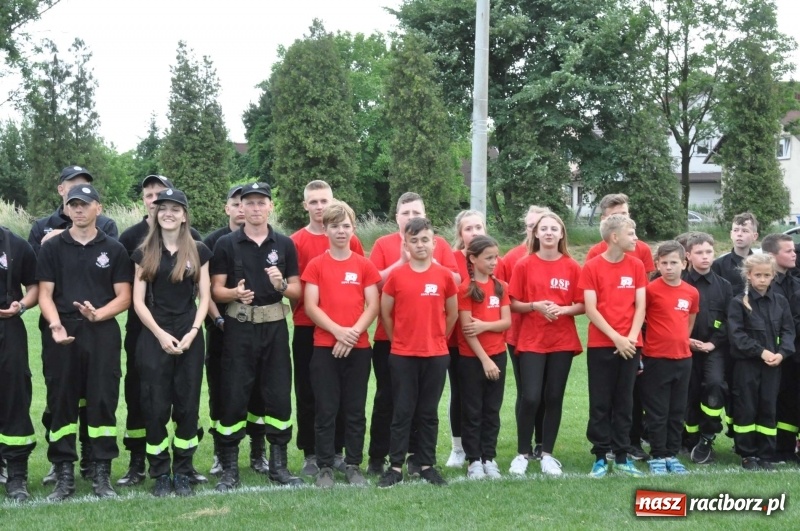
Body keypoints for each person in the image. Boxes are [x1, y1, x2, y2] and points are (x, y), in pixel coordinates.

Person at [36, 184, 132, 500]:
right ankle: (64, 476)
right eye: (73, 204)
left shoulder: (114, 249)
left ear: (98, 209)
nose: (79, 210)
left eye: (85, 204)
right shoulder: (51, 247)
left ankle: (101, 475)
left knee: (102, 401)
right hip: (62, 335)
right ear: (66, 209)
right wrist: (55, 325)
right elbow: (45, 295)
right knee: (61, 401)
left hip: (101, 333)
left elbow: (125, 296)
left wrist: (99, 314)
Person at [210, 182, 303, 490]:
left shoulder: (285, 244)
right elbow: (215, 290)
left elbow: (296, 291)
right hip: (239, 329)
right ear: (241, 207)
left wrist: (279, 285)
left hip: (274, 328)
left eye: (260, 202)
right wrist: (233, 292)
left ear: (270, 206)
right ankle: (229, 469)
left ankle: (278, 466)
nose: (254, 208)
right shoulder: (226, 243)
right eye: (248, 203)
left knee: (277, 394)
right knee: (234, 394)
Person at [116, 175, 205, 488]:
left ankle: (182, 471)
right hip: (153, 336)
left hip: (189, 333)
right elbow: (138, 302)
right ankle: (159, 474)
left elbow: (205, 298)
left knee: (187, 404)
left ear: (184, 214)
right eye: (162, 207)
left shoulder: (198, 250)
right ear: (154, 213)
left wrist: (194, 332)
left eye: (175, 208)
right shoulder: (143, 252)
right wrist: (160, 335)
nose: (168, 212)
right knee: (154, 405)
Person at [366, 193, 459, 476]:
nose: (410, 217)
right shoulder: (383, 244)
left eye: (415, 211)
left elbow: (453, 281)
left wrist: (426, 261)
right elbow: (375, 281)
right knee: (388, 400)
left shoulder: (438, 245)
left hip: (430, 343)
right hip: (391, 341)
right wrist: (402, 262)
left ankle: (419, 459)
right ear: (397, 218)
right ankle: (378, 457)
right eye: (405, 213)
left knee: (424, 406)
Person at [302, 201, 380, 488]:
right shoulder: (316, 265)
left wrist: (353, 333)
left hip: (358, 349)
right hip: (325, 347)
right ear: (326, 229)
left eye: (346, 225)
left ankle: (353, 464)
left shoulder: (364, 264)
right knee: (326, 408)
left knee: (355, 409)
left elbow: (373, 305)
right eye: (335, 226)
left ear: (353, 228)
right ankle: (324, 466)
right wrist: (337, 332)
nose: (341, 231)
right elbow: (311, 306)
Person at [290, 180, 365, 477]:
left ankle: (337, 451)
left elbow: (361, 283)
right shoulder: (296, 241)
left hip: (346, 331)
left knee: (344, 396)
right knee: (310, 392)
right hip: (308, 327)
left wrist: (348, 330)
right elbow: (297, 287)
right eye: (314, 202)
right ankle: (311, 452)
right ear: (305, 205)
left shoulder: (351, 238)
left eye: (324, 201)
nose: (320, 207)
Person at [508, 212, 584, 476]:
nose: (550, 232)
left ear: (562, 234)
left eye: (555, 228)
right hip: (531, 339)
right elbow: (512, 303)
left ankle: (548, 455)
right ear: (536, 234)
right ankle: (522, 453)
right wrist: (536, 306)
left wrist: (563, 310)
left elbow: (582, 304)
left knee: (554, 396)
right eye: (544, 228)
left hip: (561, 340)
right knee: (530, 397)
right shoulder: (524, 265)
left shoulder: (572, 266)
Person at [205, 185, 272, 477]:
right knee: (223, 392)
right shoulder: (214, 242)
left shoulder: (268, 240)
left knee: (258, 390)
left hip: (256, 330)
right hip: (221, 329)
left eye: (246, 204)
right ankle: (222, 453)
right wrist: (219, 320)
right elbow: (205, 291)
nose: (242, 209)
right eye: (236, 204)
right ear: (229, 208)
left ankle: (259, 451)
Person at [585, 193, 653, 462]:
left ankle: (623, 453)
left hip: (630, 344)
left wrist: (631, 339)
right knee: (600, 401)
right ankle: (601, 453)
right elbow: (591, 309)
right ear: (614, 236)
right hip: (602, 344)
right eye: (631, 232)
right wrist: (616, 338)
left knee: (626, 402)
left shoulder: (636, 264)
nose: (636, 237)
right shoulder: (591, 265)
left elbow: (641, 306)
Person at [728, 254, 795, 470]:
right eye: (758, 275)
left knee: (768, 407)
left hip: (773, 365)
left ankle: (766, 454)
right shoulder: (739, 303)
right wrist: (761, 352)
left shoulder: (780, 302)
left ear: (773, 276)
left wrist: (782, 353)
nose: (763, 279)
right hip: (747, 366)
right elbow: (737, 336)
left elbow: (788, 331)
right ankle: (747, 454)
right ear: (749, 276)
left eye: (767, 275)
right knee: (747, 407)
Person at [497, 205, 550, 462]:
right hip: (519, 334)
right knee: (528, 393)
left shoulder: (554, 256)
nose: (533, 230)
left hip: (550, 336)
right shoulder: (512, 257)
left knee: (547, 392)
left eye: (537, 225)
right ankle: (524, 445)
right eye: (529, 225)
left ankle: (543, 442)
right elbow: (502, 296)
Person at [641, 241, 699, 475]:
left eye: (674, 262)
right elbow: (640, 319)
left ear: (684, 263)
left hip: (683, 360)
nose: (669, 267)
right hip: (656, 359)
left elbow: (689, 322)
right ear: (657, 264)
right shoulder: (650, 290)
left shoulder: (691, 292)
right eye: (663, 263)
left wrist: (680, 343)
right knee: (658, 411)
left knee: (677, 411)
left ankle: (671, 454)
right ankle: (657, 454)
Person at [457, 235, 510, 479]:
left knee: (492, 410)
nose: (494, 262)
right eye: (488, 258)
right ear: (473, 258)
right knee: (472, 410)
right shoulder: (466, 290)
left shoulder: (500, 287)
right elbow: (468, 331)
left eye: (495, 257)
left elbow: (506, 322)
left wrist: (485, 326)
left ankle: (489, 458)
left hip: (498, 355)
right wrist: (485, 360)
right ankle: (474, 460)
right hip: (472, 360)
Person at [682, 233, 732, 464]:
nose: (705, 257)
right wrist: (686, 340)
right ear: (688, 255)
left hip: (715, 349)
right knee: (688, 393)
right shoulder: (679, 283)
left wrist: (714, 342)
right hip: (684, 348)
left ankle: (707, 437)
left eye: (709, 252)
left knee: (714, 386)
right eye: (699, 252)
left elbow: (730, 320)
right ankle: (689, 440)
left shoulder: (724, 286)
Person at [446, 209, 488, 468]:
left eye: (478, 227)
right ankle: (458, 448)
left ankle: (483, 448)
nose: (474, 232)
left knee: (484, 395)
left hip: (485, 336)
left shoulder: (492, 258)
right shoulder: (451, 260)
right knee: (460, 393)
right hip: (455, 339)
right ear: (460, 234)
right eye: (468, 228)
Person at [0, 227, 39, 501]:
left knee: (14, 397)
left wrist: (21, 306)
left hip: (8, 329)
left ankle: (16, 475)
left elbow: (34, 287)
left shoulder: (16, 244)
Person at [758, 233, 800, 464]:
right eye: (788, 251)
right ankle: (769, 448)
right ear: (772, 256)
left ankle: (786, 447)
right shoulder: (764, 284)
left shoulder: (795, 282)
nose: (794, 254)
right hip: (768, 355)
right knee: (769, 402)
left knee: (791, 403)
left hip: (792, 354)